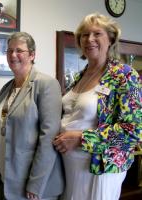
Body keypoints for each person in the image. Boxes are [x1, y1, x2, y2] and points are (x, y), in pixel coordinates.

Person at [0, 32, 64, 200]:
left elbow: (49, 138)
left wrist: (35, 184)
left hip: (34, 187)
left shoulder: (46, 85)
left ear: (32, 54)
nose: (13, 55)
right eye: (9, 51)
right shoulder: (7, 88)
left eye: (19, 50)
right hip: (8, 181)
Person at [53, 13, 142, 200]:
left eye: (97, 34)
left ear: (110, 39)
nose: (90, 39)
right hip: (68, 165)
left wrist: (81, 139)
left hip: (100, 169)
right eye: (84, 35)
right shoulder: (79, 76)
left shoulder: (124, 75)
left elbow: (133, 131)